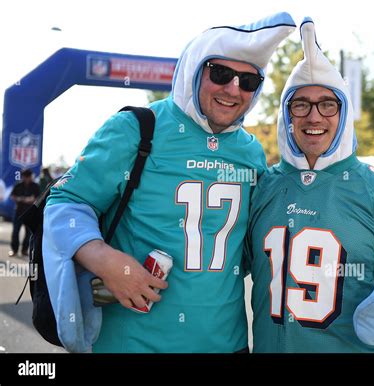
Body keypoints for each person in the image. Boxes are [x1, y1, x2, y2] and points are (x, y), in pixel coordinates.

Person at [42, 13, 296, 353]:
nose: (234, 89)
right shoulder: (136, 128)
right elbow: (65, 204)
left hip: (226, 344)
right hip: (132, 344)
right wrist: (106, 260)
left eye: (249, 82)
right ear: (194, 69)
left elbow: (247, 246)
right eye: (221, 73)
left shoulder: (250, 152)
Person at [245, 18, 374, 353]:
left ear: (343, 112)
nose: (314, 116)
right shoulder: (262, 187)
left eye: (327, 104)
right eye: (301, 104)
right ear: (286, 114)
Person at [9, 169, 40, 257]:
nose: (26, 179)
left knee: (28, 233)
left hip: (29, 213)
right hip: (18, 211)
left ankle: (24, 250)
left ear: (30, 177)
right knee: (15, 231)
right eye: (24, 177)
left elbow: (37, 198)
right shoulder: (18, 185)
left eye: (28, 177)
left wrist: (29, 200)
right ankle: (14, 250)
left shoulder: (35, 186)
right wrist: (21, 199)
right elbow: (12, 196)